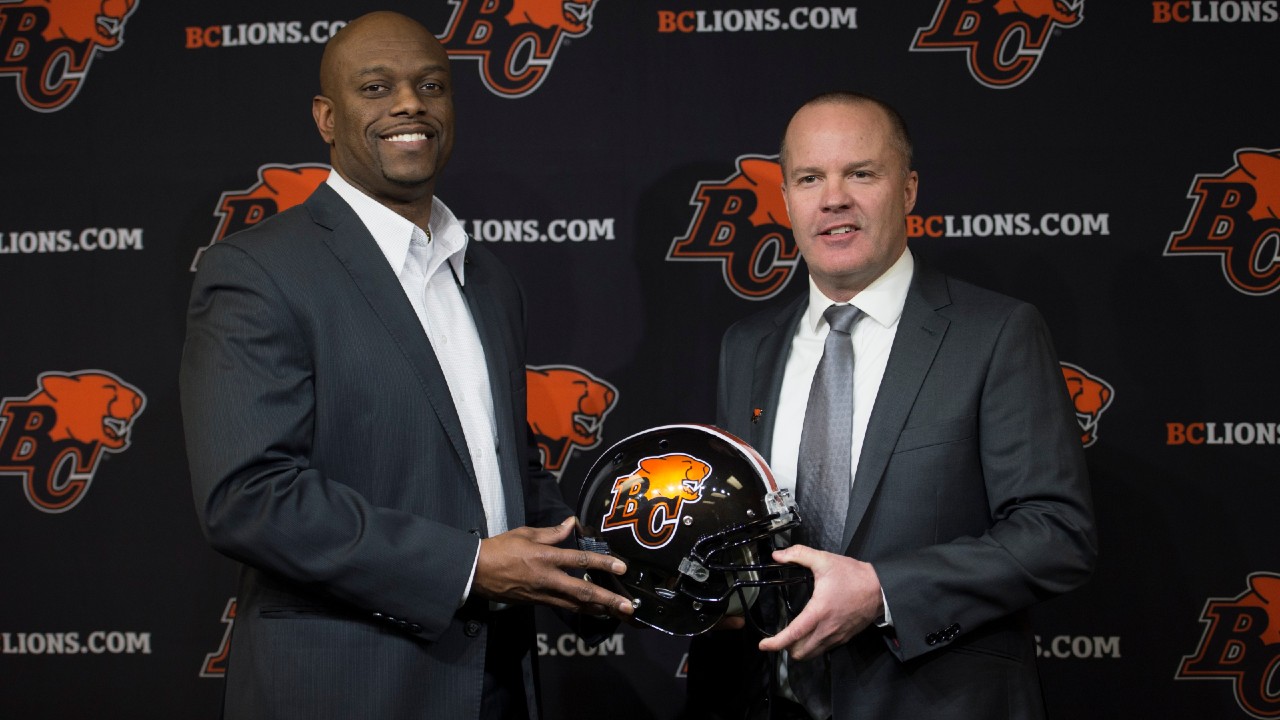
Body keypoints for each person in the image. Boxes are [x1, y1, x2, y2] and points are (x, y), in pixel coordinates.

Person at [179, 11, 632, 720]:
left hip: (501, 680)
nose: (410, 105)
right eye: (376, 87)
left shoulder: (487, 278)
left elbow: (510, 472)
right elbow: (249, 498)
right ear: (327, 117)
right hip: (351, 687)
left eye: (431, 86)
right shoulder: (259, 271)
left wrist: (621, 580)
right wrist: (471, 567)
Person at [687, 92, 1097, 719]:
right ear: (787, 200)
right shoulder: (746, 347)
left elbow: (1056, 533)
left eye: (860, 172)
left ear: (907, 190)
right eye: (809, 178)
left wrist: (882, 591)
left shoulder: (996, 332)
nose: (834, 199)